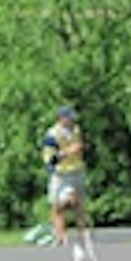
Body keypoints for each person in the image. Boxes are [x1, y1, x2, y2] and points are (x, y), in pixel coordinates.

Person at [41, 105, 87, 247]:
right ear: (62, 118)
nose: (71, 120)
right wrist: (67, 152)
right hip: (60, 173)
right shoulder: (52, 134)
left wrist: (79, 151)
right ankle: (59, 235)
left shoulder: (75, 130)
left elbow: (79, 149)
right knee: (57, 206)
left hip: (76, 170)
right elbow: (50, 158)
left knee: (77, 203)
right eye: (68, 117)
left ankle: (83, 235)